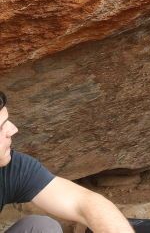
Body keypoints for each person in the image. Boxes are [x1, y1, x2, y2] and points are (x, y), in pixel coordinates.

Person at [0, 91, 133, 233]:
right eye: (1, 126)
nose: (13, 129)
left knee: (42, 228)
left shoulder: (12, 168)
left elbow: (85, 203)